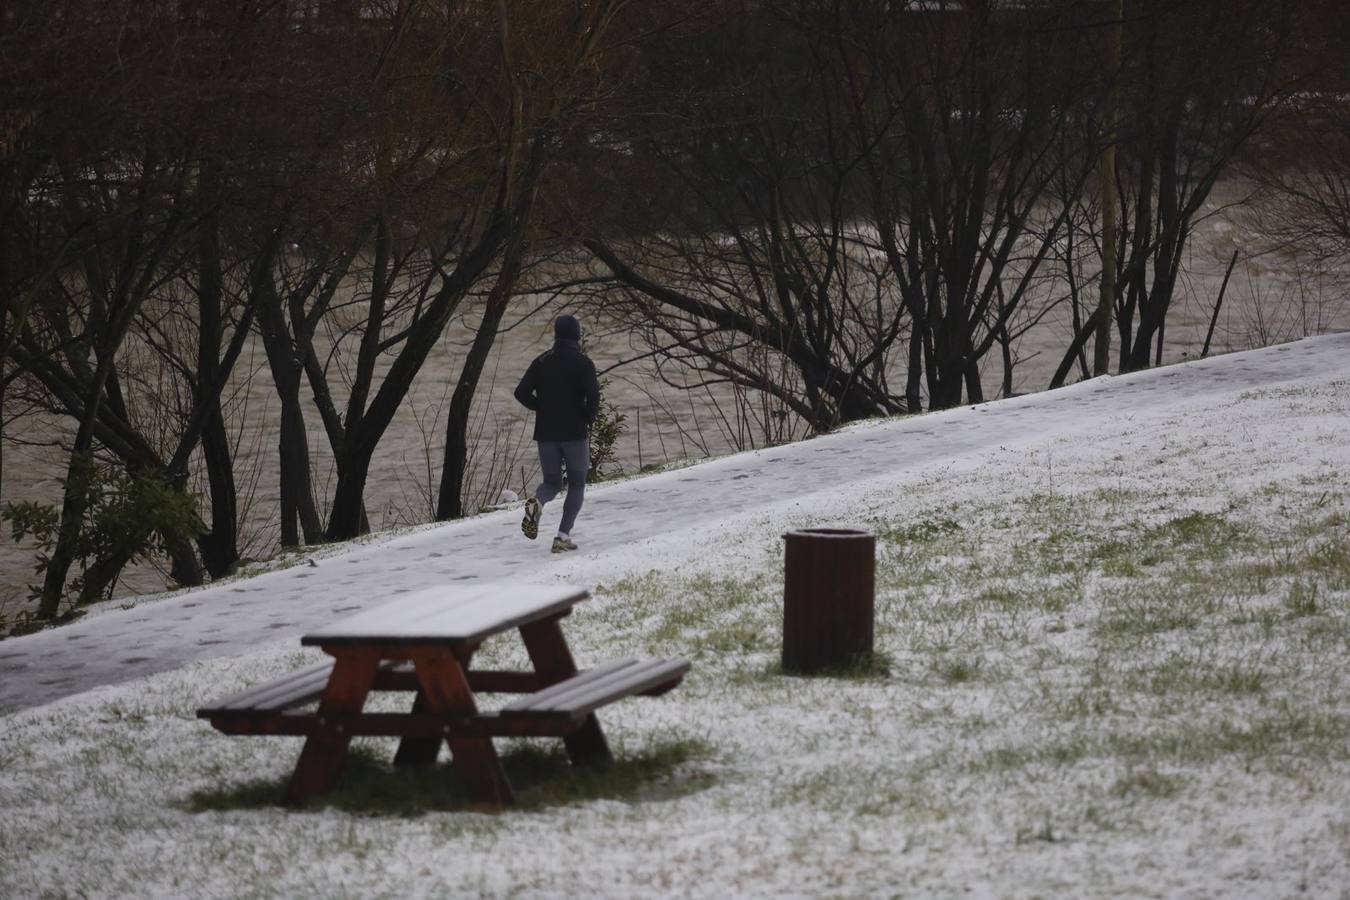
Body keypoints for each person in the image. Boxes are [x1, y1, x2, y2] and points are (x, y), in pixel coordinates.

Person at [514, 314, 601, 552]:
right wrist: (589, 417)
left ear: (556, 335)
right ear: (577, 336)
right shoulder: (583, 363)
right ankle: (562, 536)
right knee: (576, 484)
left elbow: (520, 392)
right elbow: (594, 395)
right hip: (574, 432)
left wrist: (540, 407)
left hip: (546, 433)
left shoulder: (541, 361)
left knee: (551, 483)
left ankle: (537, 502)